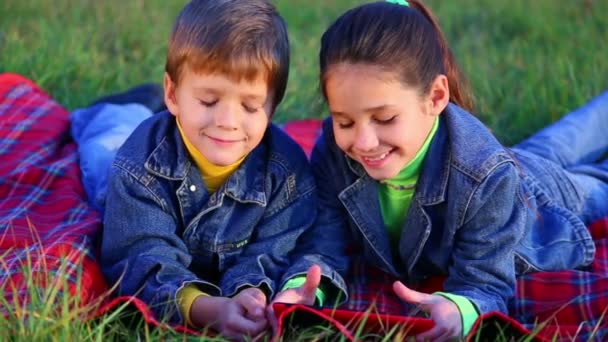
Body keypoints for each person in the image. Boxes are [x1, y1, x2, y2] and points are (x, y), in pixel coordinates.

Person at [298, 0, 608, 340]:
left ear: (435, 97)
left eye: (384, 119)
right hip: (506, 161)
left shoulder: (485, 175)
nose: (364, 141)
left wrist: (462, 306)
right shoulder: (333, 149)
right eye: (344, 121)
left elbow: (485, 280)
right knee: (556, 143)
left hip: (533, 197)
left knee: (597, 182)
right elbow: (322, 239)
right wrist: (302, 284)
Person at [99, 0, 346, 339]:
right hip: (123, 151)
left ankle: (150, 104)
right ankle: (119, 109)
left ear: (272, 109)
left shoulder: (286, 174)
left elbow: (275, 249)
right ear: (173, 93)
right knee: (102, 147)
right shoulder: (138, 164)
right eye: (209, 101)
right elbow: (140, 254)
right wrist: (206, 309)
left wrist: (250, 292)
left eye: (249, 106)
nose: (227, 122)